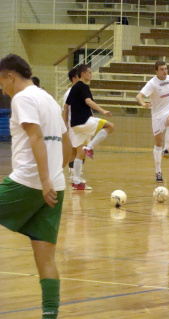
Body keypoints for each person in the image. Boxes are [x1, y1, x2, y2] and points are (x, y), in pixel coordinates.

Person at [0, 54, 72, 319]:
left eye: (1, 82)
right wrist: (54, 174)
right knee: (46, 259)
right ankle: (49, 315)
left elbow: (36, 137)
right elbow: (67, 146)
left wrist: (43, 180)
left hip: (30, 182)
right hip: (56, 186)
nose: (2, 89)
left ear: (10, 75)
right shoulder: (49, 99)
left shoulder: (23, 98)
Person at [63, 64, 114, 190]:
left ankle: (77, 181)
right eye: (89, 72)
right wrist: (103, 111)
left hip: (75, 125)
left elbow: (66, 105)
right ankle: (90, 147)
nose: (91, 75)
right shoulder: (83, 86)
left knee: (79, 153)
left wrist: (65, 123)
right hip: (84, 121)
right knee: (110, 126)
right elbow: (88, 102)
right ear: (83, 74)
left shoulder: (74, 88)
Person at [136, 61, 169, 182]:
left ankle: (167, 149)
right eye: (162, 69)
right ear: (156, 71)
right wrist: (143, 104)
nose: (165, 71)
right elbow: (138, 96)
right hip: (157, 114)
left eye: (166, 68)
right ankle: (158, 171)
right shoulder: (152, 83)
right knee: (158, 142)